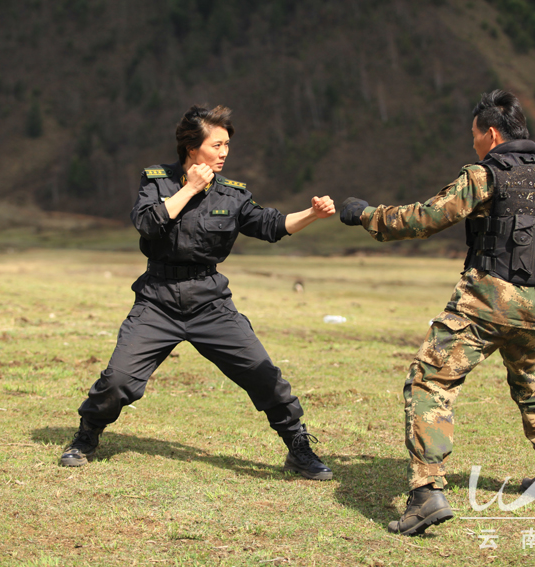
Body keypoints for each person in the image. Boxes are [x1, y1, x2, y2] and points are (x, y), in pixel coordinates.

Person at [340, 90, 535, 535]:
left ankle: (427, 491)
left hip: (487, 302)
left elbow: (423, 218)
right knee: (530, 384)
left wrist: (364, 215)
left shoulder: (484, 175)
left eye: (475, 137)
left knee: (430, 380)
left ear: (491, 133)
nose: (473, 145)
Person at [60, 104, 336, 481]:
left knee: (264, 373)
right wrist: (190, 189)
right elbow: (146, 223)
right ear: (193, 147)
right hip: (158, 299)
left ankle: (298, 448)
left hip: (209, 300)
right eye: (217, 145)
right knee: (119, 380)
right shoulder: (156, 182)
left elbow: (270, 225)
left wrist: (311, 214)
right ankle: (86, 436)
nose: (224, 153)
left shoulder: (232, 194)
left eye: (227, 146)